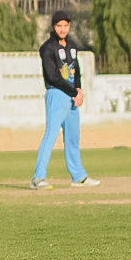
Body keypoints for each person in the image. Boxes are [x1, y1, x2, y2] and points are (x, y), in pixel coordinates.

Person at [31, 10, 100, 190]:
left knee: (73, 137)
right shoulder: (47, 48)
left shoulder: (72, 46)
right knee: (51, 135)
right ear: (53, 27)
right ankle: (38, 178)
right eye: (59, 26)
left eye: (65, 25)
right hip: (56, 93)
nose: (62, 29)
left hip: (71, 95)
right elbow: (53, 76)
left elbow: (76, 69)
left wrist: (79, 90)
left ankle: (78, 176)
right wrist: (72, 91)